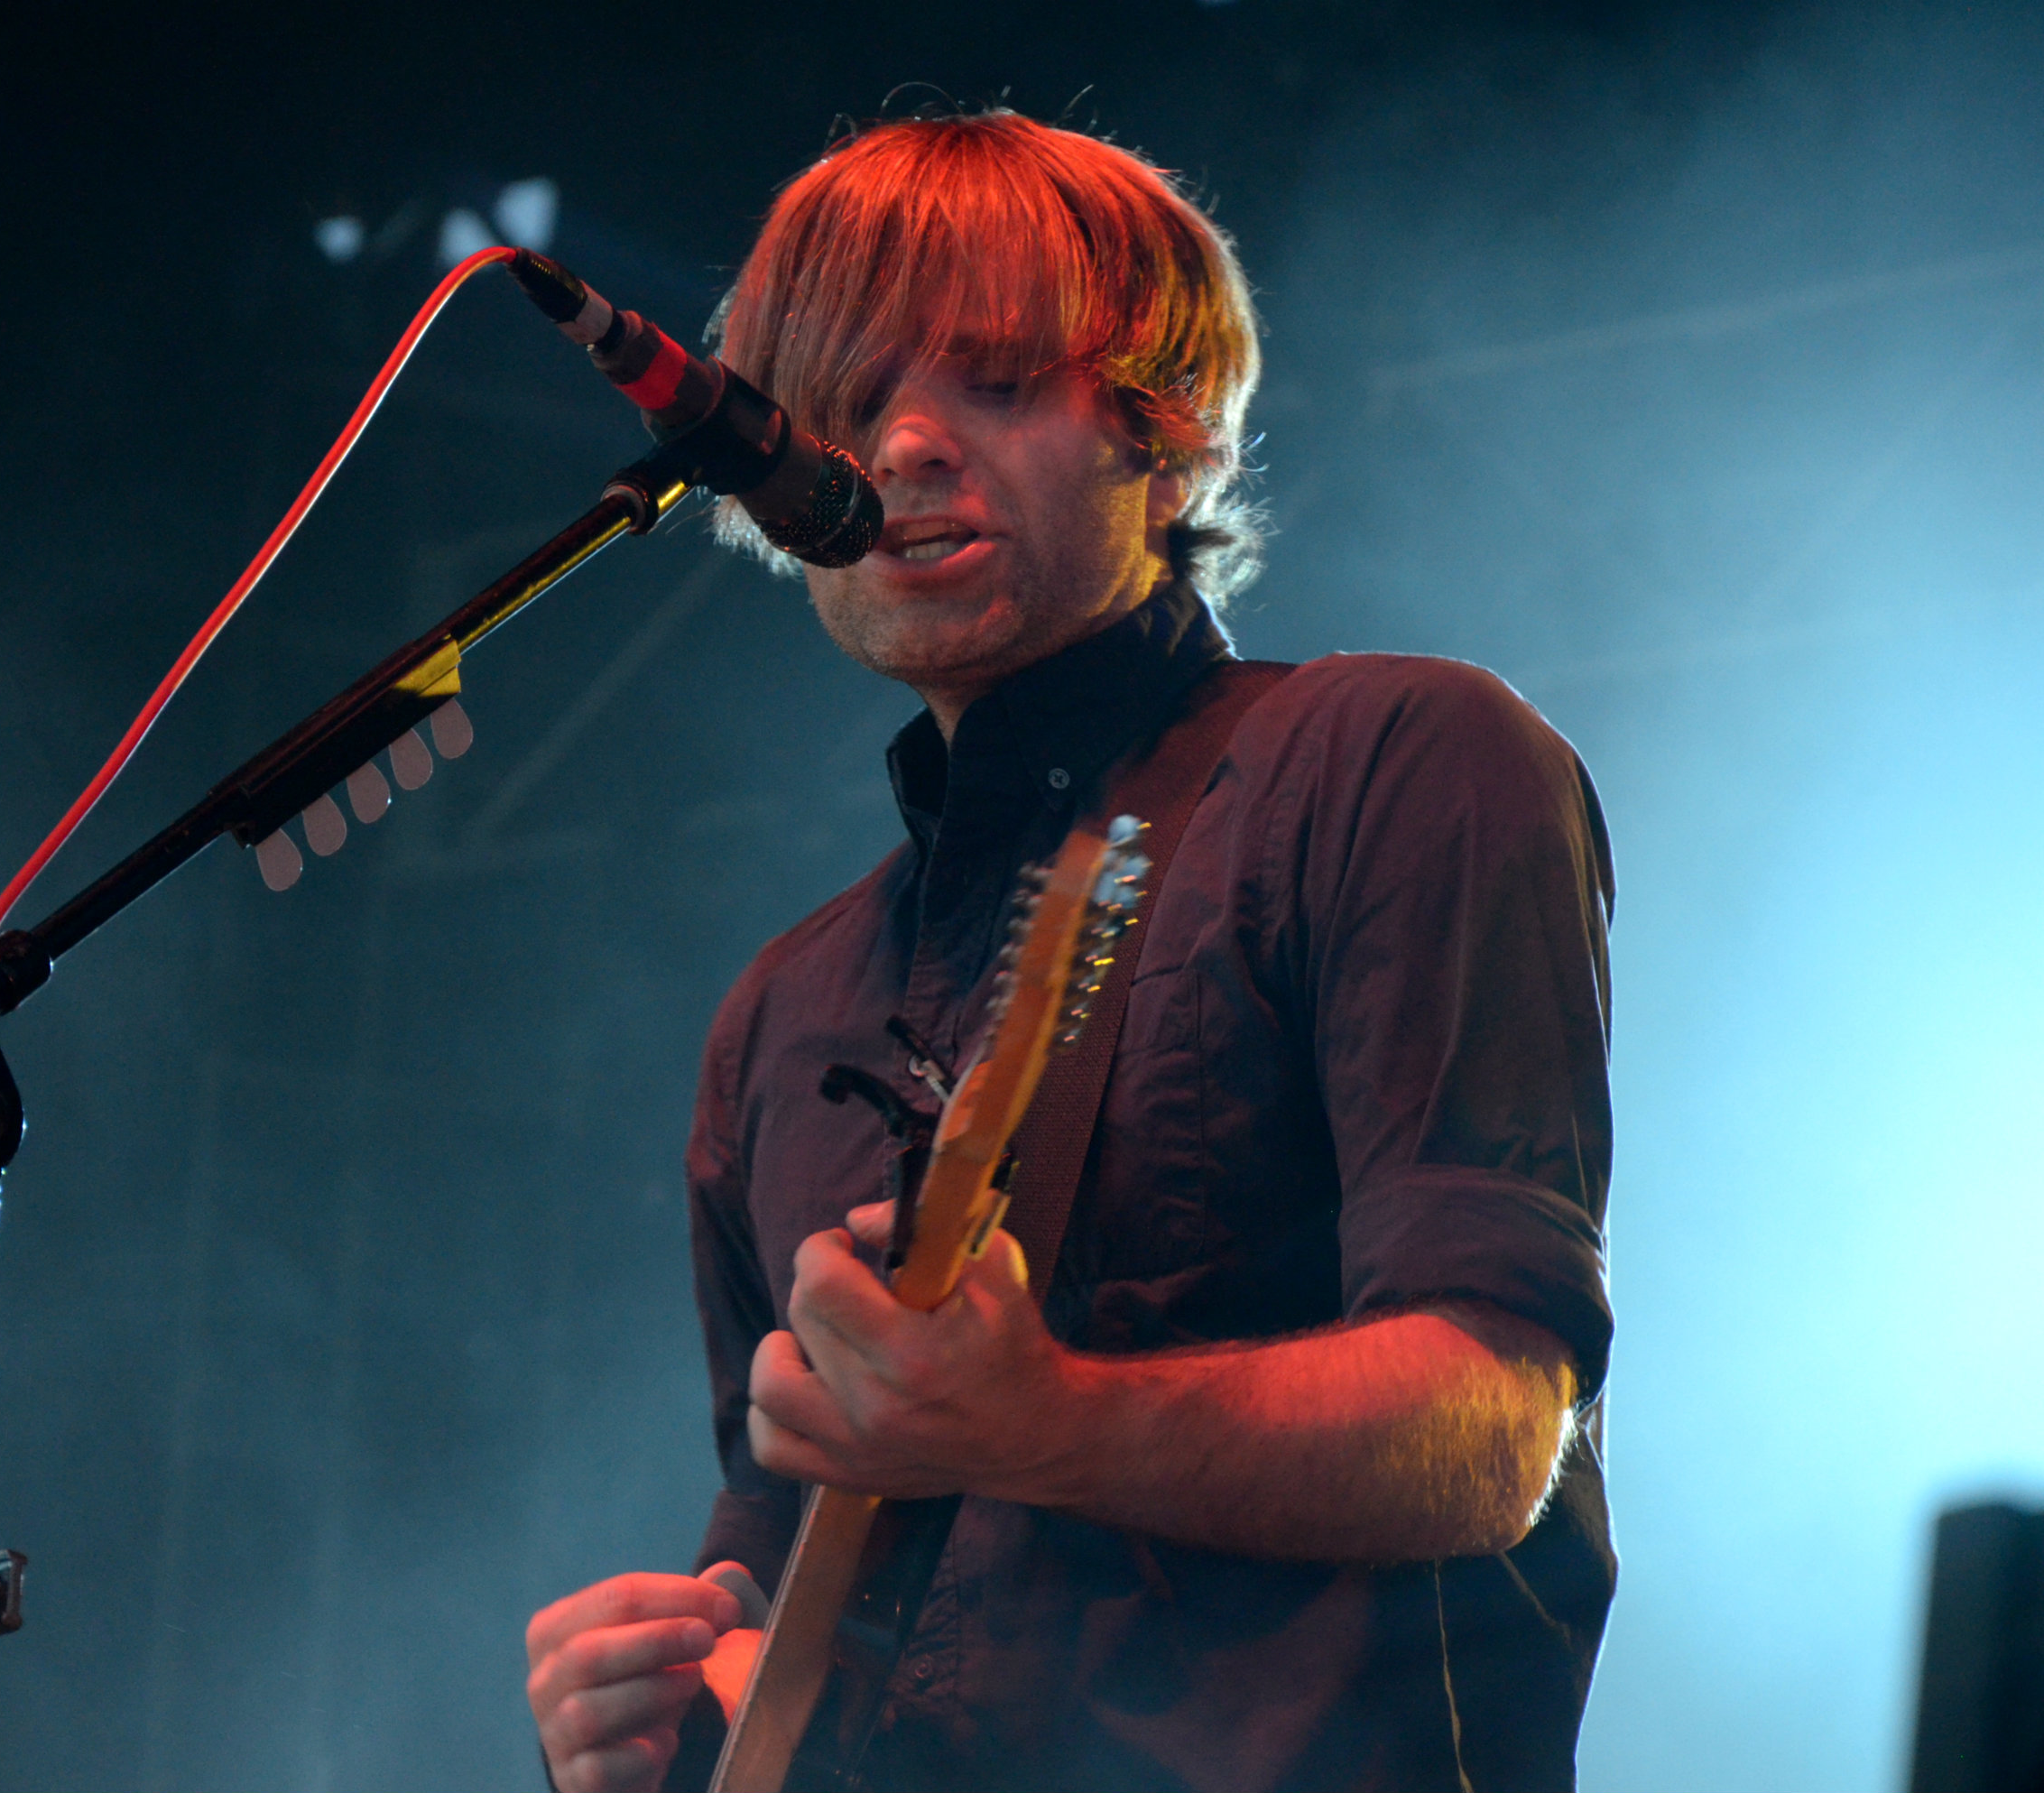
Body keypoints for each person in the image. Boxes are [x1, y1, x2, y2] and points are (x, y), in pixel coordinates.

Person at [525, 110, 1614, 1793]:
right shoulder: (781, 1012)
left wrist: (1047, 1427)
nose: (903, 443)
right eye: (841, 398)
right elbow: (772, 1581)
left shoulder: (1394, 756)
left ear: (1161, 439)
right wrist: (656, 1717)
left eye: (999, 384)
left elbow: (1495, 1425)